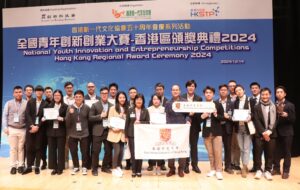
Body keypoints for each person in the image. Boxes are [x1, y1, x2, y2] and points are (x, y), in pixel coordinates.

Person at [165, 84, 190, 178]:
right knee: (170, 149)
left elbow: (188, 115)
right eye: (173, 90)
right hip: (171, 130)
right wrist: (167, 126)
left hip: (182, 130)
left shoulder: (184, 101)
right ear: (171, 91)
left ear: (179, 91)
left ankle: (181, 169)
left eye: (177, 90)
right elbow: (166, 115)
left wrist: (188, 120)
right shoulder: (168, 102)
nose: (175, 91)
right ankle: (171, 169)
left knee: (182, 149)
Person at [22, 85, 48, 175]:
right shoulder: (30, 102)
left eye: (41, 91)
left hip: (40, 130)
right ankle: (29, 166)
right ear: (35, 92)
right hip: (30, 128)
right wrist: (32, 126)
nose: (39, 92)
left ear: (43, 93)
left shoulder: (46, 104)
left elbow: (44, 117)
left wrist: (37, 126)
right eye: (37, 91)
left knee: (38, 148)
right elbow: (27, 114)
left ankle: (37, 166)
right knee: (29, 147)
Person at [2, 86, 27, 174]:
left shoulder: (26, 103)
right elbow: (4, 116)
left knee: (21, 148)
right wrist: (5, 127)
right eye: (16, 92)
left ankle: (20, 165)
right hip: (11, 128)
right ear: (13, 94)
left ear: (22, 93)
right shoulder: (8, 103)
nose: (18, 94)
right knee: (13, 148)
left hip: (23, 129)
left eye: (20, 92)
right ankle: (13, 166)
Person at [253, 88, 277, 181]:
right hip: (260, 134)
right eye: (263, 94)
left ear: (270, 95)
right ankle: (258, 169)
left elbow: (276, 120)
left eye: (266, 94)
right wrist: (263, 132)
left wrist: (270, 131)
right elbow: (256, 120)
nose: (265, 96)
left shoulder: (274, 106)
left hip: (272, 134)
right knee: (258, 153)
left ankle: (268, 170)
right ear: (261, 95)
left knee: (270, 153)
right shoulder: (256, 107)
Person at [272, 86, 296, 179]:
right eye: (277, 92)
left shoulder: (290, 105)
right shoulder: (274, 104)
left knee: (287, 152)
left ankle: (286, 171)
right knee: (276, 152)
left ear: (285, 94)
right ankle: (276, 169)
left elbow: (293, 119)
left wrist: (287, 116)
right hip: (276, 132)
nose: (279, 93)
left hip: (287, 132)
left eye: (281, 92)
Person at [201, 86, 224, 180]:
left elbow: (223, 117)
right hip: (206, 132)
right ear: (204, 94)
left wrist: (216, 115)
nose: (208, 94)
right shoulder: (202, 105)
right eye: (206, 92)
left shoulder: (218, 104)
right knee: (210, 153)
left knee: (218, 152)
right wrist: (202, 116)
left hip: (217, 132)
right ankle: (212, 169)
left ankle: (219, 171)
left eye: (210, 92)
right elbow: (198, 119)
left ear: (213, 94)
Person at [89, 87, 113, 176]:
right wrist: (100, 116)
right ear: (100, 94)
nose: (104, 95)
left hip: (108, 131)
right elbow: (90, 118)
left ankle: (104, 167)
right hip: (97, 131)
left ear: (108, 94)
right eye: (102, 93)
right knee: (96, 151)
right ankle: (94, 169)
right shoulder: (95, 105)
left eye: (106, 93)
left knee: (108, 150)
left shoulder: (112, 106)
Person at [65, 90, 90, 175]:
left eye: (80, 97)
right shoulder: (70, 107)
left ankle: (84, 167)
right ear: (74, 98)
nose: (78, 98)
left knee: (84, 151)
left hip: (84, 134)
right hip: (72, 134)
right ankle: (76, 166)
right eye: (76, 97)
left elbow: (89, 120)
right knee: (73, 151)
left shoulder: (87, 107)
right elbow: (67, 122)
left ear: (83, 98)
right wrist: (70, 114)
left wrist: (87, 131)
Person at [43, 90, 68, 175]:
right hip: (51, 131)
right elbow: (45, 119)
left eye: (58, 95)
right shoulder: (49, 106)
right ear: (53, 96)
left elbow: (68, 119)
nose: (57, 97)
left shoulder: (66, 106)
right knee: (52, 150)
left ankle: (60, 168)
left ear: (61, 97)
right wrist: (44, 119)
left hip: (61, 131)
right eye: (55, 95)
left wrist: (63, 119)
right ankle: (54, 168)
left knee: (61, 150)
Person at [125, 93, 150, 177]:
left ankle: (139, 170)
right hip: (132, 134)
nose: (139, 101)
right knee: (133, 153)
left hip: (142, 135)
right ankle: (134, 170)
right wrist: (126, 135)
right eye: (137, 99)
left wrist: (140, 122)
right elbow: (127, 123)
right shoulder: (130, 110)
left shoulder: (145, 110)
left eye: (140, 99)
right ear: (134, 101)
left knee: (140, 152)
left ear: (143, 101)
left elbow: (148, 122)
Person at [182, 80, 202, 174]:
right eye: (189, 86)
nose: (191, 87)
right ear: (186, 88)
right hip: (183, 126)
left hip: (194, 125)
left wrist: (194, 113)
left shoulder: (199, 98)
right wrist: (187, 113)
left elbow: (200, 112)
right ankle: (185, 165)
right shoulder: (181, 97)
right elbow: (179, 112)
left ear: (195, 88)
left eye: (193, 86)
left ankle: (195, 165)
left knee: (194, 146)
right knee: (185, 146)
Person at [233, 84, 252, 178]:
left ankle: (244, 167)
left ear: (244, 90)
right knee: (241, 148)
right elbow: (234, 113)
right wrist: (233, 117)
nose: (238, 92)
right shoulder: (236, 102)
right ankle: (244, 166)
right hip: (238, 127)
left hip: (247, 127)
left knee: (246, 148)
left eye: (240, 90)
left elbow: (254, 113)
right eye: (236, 91)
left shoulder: (249, 100)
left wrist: (250, 116)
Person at [147, 82, 168, 171]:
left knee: (161, 147)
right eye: (157, 89)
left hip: (162, 130)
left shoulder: (166, 104)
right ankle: (151, 164)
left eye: (160, 89)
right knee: (151, 146)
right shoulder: (149, 108)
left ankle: (161, 164)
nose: (156, 101)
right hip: (151, 130)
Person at [107, 91, 128, 177]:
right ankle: (114, 168)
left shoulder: (128, 109)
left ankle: (118, 166)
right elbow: (108, 121)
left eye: (123, 97)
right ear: (117, 99)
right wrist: (113, 128)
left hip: (123, 133)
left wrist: (124, 117)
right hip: (114, 133)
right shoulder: (112, 108)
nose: (122, 99)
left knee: (122, 152)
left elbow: (128, 122)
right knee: (117, 151)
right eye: (120, 97)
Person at [218, 84, 234, 174]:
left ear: (227, 91)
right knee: (218, 148)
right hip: (218, 128)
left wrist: (229, 117)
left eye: (225, 90)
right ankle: (219, 166)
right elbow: (215, 116)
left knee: (228, 148)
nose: (223, 91)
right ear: (219, 91)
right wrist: (223, 117)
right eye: (221, 90)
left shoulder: (231, 103)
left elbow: (234, 116)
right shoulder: (216, 102)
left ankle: (228, 166)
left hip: (228, 128)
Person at [84, 82, 100, 170]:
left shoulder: (99, 99)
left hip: (96, 126)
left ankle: (95, 163)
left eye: (92, 87)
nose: (90, 88)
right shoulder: (83, 99)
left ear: (95, 88)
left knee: (95, 147)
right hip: (86, 126)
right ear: (87, 88)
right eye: (89, 87)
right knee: (86, 146)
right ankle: (87, 164)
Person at [227, 80, 241, 171]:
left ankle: (237, 163)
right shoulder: (226, 97)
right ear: (228, 88)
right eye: (230, 86)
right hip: (228, 124)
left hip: (238, 124)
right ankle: (231, 163)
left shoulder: (240, 98)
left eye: (234, 86)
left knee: (238, 145)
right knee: (230, 145)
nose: (232, 87)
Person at [249, 82, 261, 173]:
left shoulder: (264, 98)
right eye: (252, 88)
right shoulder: (250, 100)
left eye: (256, 88)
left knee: (266, 148)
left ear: (259, 89)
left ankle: (268, 168)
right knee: (255, 148)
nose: (254, 89)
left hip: (264, 128)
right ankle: (256, 166)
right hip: (253, 128)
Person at [63, 81, 74, 169]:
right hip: (65, 126)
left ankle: (76, 163)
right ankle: (65, 162)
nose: (69, 89)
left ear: (73, 88)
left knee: (75, 146)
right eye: (67, 88)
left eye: (70, 87)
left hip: (75, 126)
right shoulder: (62, 98)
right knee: (65, 145)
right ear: (65, 89)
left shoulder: (78, 98)